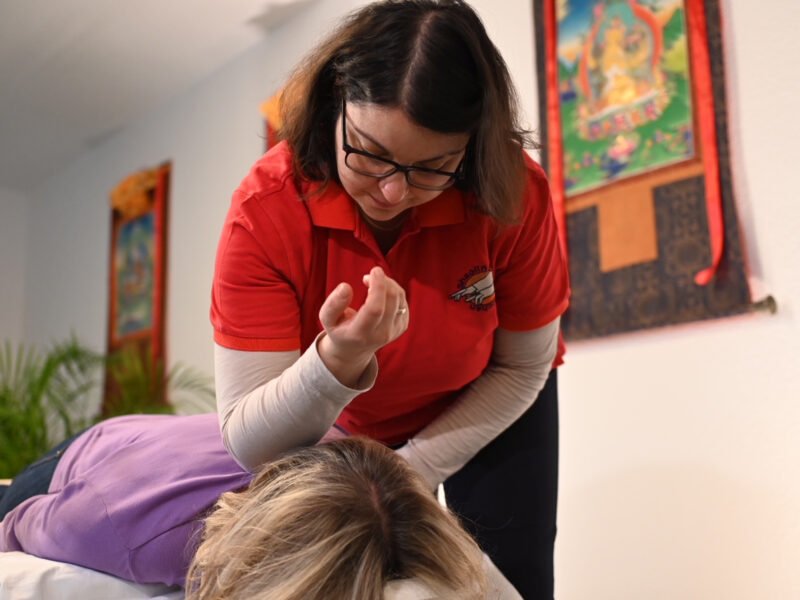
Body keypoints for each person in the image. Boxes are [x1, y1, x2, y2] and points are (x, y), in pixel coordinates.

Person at [210, 1, 570, 598]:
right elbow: (251, 443)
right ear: (335, 102)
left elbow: (524, 366)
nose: (393, 192)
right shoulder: (266, 210)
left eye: (433, 168)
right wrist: (336, 361)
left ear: (472, 146)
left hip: (492, 399)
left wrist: (411, 470)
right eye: (370, 152)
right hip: (332, 421)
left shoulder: (511, 192)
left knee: (515, 581)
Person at [0, 414, 493, 598]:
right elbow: (18, 525)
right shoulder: (122, 528)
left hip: (173, 442)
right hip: (78, 461)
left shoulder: (364, 467)